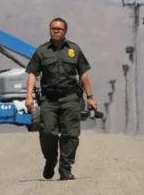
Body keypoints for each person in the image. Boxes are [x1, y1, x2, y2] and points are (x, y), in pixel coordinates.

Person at [25, 17, 97, 181]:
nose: (55, 31)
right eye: (53, 28)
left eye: (59, 29)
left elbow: (83, 75)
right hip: (49, 100)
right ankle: (50, 160)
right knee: (48, 132)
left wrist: (90, 97)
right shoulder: (42, 51)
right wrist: (28, 96)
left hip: (70, 98)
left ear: (65, 31)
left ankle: (65, 169)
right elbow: (33, 74)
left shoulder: (74, 50)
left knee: (70, 135)